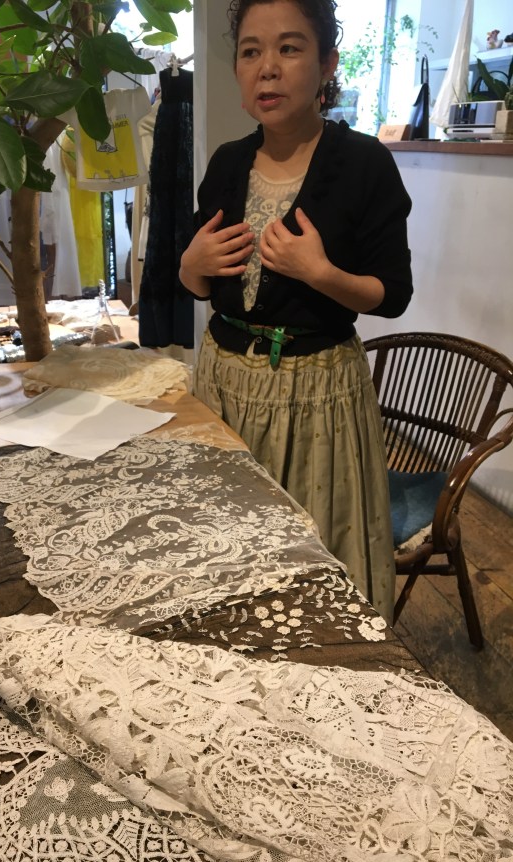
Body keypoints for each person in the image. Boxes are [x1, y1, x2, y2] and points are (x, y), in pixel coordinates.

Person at [178, 0, 413, 621]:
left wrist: (321, 274)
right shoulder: (227, 162)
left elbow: (393, 294)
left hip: (317, 397)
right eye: (251, 52)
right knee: (226, 561)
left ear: (327, 63)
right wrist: (189, 265)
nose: (268, 68)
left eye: (289, 48)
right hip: (223, 385)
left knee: (312, 573)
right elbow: (201, 285)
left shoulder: (364, 163)